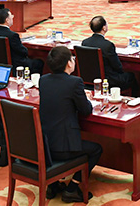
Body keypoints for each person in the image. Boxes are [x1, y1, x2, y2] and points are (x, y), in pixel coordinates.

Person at [39, 46, 102, 203]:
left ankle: (53, 185)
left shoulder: (43, 80)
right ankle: (72, 188)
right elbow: (85, 110)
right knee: (96, 149)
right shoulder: (75, 82)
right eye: (72, 58)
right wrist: (84, 99)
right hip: (64, 147)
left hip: (44, 145)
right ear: (68, 63)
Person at [81, 16, 138, 92]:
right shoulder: (107, 45)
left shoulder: (85, 42)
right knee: (131, 76)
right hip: (109, 80)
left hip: (90, 78)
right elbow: (117, 66)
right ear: (104, 28)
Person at [0, 9, 44, 74]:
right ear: (7, 20)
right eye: (11, 16)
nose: (12, 18)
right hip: (16, 63)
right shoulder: (13, 35)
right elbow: (23, 52)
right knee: (39, 62)